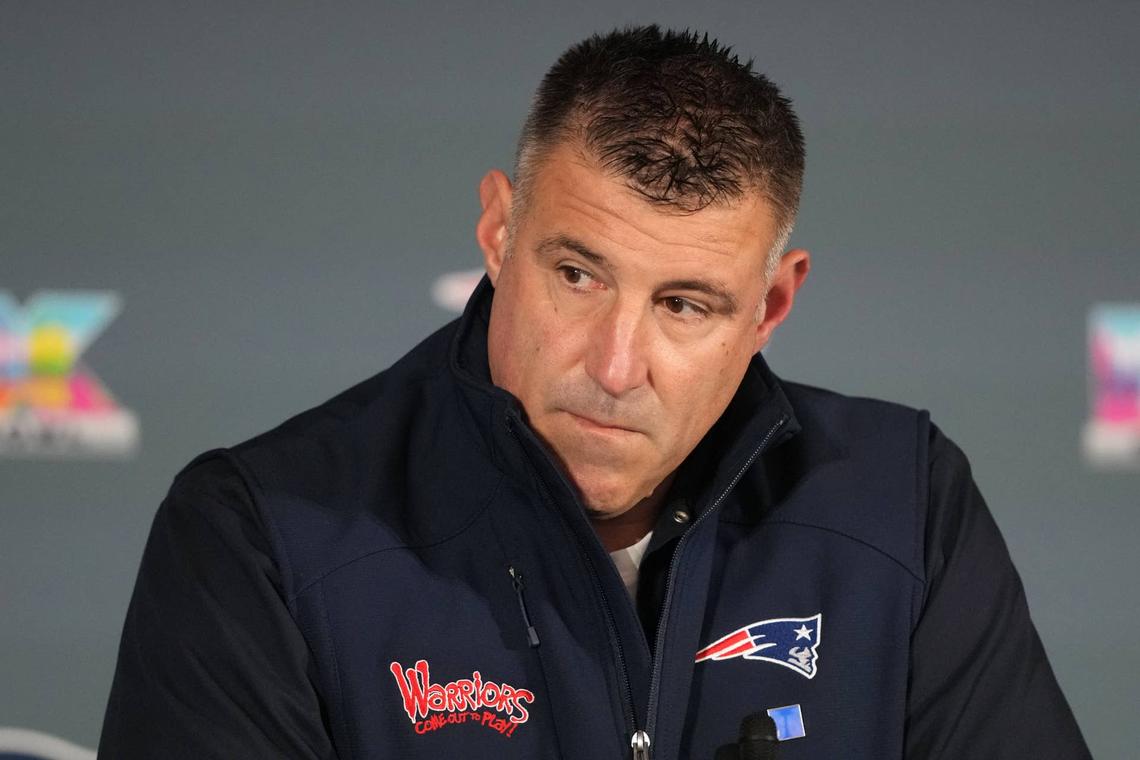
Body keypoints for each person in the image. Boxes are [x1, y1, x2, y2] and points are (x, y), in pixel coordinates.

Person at [99, 25, 1090, 759]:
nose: (615, 367)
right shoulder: (261, 534)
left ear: (772, 305)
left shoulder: (904, 505)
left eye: (687, 305)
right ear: (497, 230)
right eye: (577, 276)